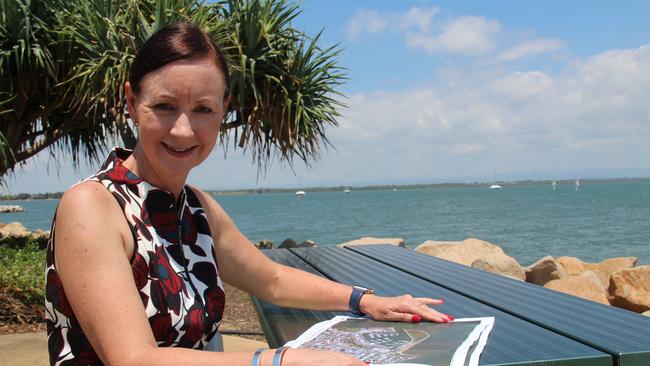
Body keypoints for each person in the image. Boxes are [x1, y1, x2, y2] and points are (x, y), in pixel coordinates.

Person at [44, 22, 452, 366]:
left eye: (203, 110)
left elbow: (270, 278)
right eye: (165, 106)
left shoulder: (195, 207)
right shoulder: (93, 206)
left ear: (224, 107)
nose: (184, 130)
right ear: (132, 102)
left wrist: (365, 301)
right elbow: (134, 358)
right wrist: (278, 359)